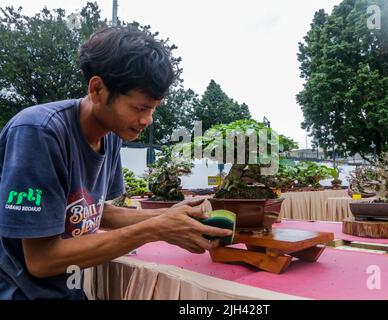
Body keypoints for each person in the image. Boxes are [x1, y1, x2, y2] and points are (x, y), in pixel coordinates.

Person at [0, 26, 231, 300]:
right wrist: (155, 228)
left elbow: (97, 212)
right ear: (97, 89)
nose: (148, 120)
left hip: (68, 288)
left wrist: (168, 215)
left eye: (153, 108)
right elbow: (41, 260)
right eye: (140, 108)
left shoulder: (109, 136)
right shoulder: (39, 132)